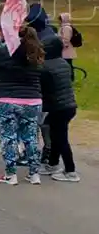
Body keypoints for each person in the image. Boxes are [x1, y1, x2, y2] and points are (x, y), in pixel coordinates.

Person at [0, 26, 45, 185]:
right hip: (32, 99)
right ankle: (34, 173)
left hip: (6, 98)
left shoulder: (3, 50)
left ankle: (11, 174)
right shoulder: (37, 52)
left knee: (8, 137)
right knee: (31, 137)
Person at [39, 32, 80, 182]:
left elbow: (43, 87)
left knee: (60, 138)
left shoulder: (45, 66)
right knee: (56, 135)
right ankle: (52, 164)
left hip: (58, 107)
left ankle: (70, 171)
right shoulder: (63, 63)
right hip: (69, 105)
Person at [58, 13, 78, 80]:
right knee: (68, 64)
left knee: (68, 64)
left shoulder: (66, 28)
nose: (59, 21)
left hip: (66, 50)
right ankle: (69, 77)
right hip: (66, 50)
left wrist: (61, 45)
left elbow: (66, 39)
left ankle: (70, 78)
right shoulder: (64, 27)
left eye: (60, 19)